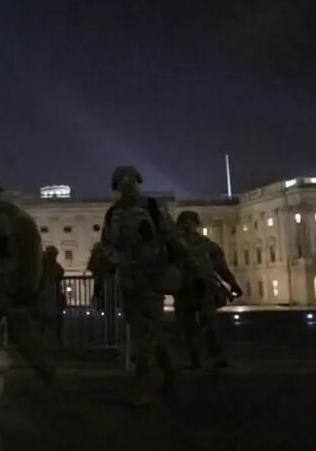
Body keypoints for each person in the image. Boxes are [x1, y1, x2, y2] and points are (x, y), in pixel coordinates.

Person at [0, 176, 58, 421]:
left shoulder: (18, 220)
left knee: (24, 340)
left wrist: (29, 287)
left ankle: (49, 376)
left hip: (13, 291)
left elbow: (32, 255)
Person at [99, 165, 181, 406]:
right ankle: (168, 371)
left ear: (138, 182)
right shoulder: (113, 213)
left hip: (152, 276)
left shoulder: (154, 209)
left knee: (145, 332)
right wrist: (117, 261)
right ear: (116, 186)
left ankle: (143, 384)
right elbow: (106, 244)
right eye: (122, 180)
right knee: (145, 332)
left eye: (131, 179)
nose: (127, 183)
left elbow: (170, 237)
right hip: (129, 278)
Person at [174, 210, 242, 369]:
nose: (187, 226)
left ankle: (212, 356)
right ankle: (197, 357)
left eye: (190, 222)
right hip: (185, 289)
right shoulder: (174, 246)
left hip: (204, 288)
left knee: (208, 325)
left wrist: (233, 283)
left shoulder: (207, 245)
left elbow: (221, 268)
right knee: (190, 327)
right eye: (185, 223)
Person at [37, 246, 66, 345]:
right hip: (46, 294)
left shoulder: (48, 266)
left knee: (50, 318)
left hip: (51, 295)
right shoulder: (45, 266)